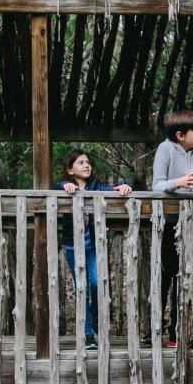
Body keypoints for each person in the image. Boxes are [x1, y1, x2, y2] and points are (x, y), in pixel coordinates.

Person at [56, 148, 132, 350]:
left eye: (88, 162)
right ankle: (88, 335)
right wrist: (66, 186)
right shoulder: (65, 185)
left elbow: (113, 190)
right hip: (73, 246)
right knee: (82, 288)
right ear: (70, 170)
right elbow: (58, 186)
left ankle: (95, 313)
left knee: (97, 284)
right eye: (81, 162)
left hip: (93, 245)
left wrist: (124, 186)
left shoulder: (97, 185)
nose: (86, 165)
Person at [151, 110, 193, 347]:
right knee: (164, 274)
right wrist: (180, 182)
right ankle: (154, 331)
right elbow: (157, 186)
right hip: (165, 222)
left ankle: (177, 334)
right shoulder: (165, 149)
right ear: (180, 135)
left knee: (183, 276)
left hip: (189, 221)